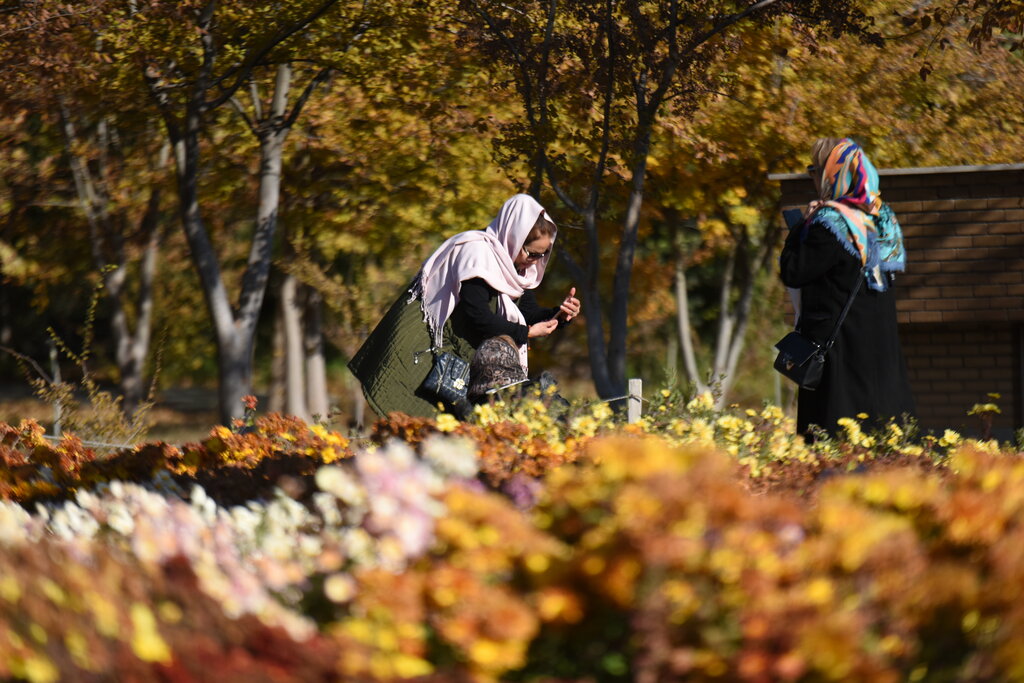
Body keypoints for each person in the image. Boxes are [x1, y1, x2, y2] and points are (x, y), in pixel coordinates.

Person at [348, 194, 581, 419]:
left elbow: (527, 312)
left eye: (543, 255)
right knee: (422, 422)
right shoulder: (478, 254)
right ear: (514, 237)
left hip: (463, 348)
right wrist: (527, 333)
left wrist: (558, 315)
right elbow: (477, 315)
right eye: (532, 253)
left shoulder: (515, 267)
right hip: (429, 348)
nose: (535, 261)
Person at [779, 137, 915, 439]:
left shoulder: (829, 223)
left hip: (839, 352)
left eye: (813, 170)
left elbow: (793, 271)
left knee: (836, 444)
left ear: (832, 174)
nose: (811, 178)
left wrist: (802, 226)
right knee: (881, 437)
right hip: (880, 352)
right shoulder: (882, 219)